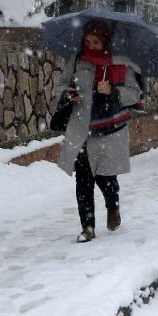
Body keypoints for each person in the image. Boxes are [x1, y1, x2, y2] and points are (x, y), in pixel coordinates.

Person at [53, 20, 142, 242]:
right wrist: (67, 93)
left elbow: (134, 93)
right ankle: (88, 228)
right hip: (81, 128)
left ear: (105, 41)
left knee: (105, 178)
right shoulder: (77, 59)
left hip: (110, 130)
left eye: (95, 41)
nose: (90, 45)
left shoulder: (120, 62)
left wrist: (112, 90)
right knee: (83, 180)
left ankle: (113, 206)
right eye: (87, 41)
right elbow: (60, 84)